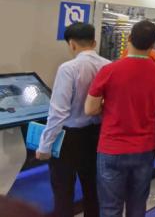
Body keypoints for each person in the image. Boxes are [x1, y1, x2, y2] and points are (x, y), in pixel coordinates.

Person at [85, 20, 155, 217]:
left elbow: (90, 108)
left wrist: (109, 106)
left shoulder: (109, 70)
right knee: (137, 206)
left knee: (110, 208)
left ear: (129, 38)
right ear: (153, 45)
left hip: (112, 147)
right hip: (144, 148)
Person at [36, 23, 110, 217]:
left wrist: (45, 145)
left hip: (68, 138)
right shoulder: (109, 65)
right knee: (93, 189)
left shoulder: (68, 68)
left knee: (63, 192)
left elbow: (58, 112)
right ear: (94, 42)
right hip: (97, 135)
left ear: (72, 44)